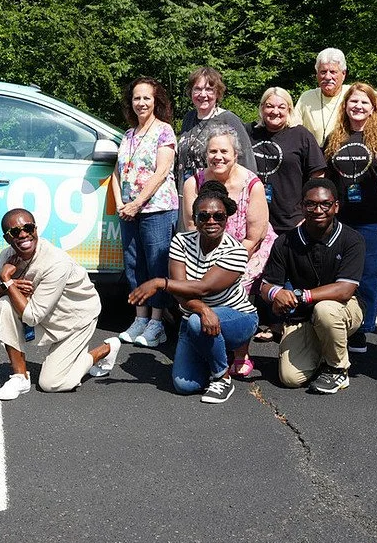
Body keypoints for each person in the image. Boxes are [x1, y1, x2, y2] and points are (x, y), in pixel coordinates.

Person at [130, 181, 256, 404]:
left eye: (218, 216)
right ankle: (209, 353)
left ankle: (222, 377)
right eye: (204, 216)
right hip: (195, 317)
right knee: (185, 385)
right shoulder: (181, 241)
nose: (211, 221)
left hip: (237, 317)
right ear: (195, 219)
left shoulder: (236, 252)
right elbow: (180, 289)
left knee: (198, 322)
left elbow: (203, 287)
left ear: (227, 219)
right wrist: (203, 308)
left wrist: (160, 282)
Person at [0, 208, 118, 401]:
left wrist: (7, 282)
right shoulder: (6, 258)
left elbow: (32, 317)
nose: (24, 234)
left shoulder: (56, 262)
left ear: (36, 229)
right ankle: (19, 377)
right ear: (7, 238)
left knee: (52, 383)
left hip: (75, 319)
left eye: (28, 227)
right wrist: (6, 285)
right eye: (15, 232)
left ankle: (104, 350)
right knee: (5, 304)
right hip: (44, 314)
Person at [180, 129, 274, 376]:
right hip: (205, 246)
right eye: (213, 151)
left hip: (247, 249)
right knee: (198, 282)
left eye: (224, 151)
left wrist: (227, 264)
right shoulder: (194, 182)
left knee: (237, 283)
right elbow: (192, 227)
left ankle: (241, 352)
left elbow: (255, 236)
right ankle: (209, 346)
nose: (218, 156)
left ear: (235, 155)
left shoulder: (251, 183)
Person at [258, 179, 366, 393]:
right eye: (311, 204)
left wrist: (299, 296)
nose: (318, 210)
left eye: (325, 204)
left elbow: (345, 289)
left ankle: (337, 370)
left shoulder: (352, 239)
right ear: (302, 206)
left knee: (325, 309)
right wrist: (276, 294)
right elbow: (265, 285)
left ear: (336, 206)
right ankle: (324, 348)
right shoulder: (285, 241)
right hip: (303, 316)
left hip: (344, 308)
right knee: (290, 378)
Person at [324, 83, 377, 353]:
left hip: (374, 218)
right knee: (338, 275)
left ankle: (363, 329)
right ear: (346, 106)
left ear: (373, 107)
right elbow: (325, 178)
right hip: (341, 219)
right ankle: (340, 323)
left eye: (364, 102)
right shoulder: (334, 138)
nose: (358, 107)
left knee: (368, 276)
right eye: (353, 102)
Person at [111, 77, 178, 349]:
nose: (141, 103)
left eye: (146, 98)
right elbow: (117, 173)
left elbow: (161, 172)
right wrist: (120, 204)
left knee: (156, 265)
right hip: (129, 211)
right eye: (137, 98)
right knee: (134, 265)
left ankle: (157, 323)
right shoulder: (128, 135)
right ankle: (140, 318)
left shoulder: (165, 131)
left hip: (156, 209)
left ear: (156, 101)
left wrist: (137, 202)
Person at [248, 86, 326, 234]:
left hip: (291, 220)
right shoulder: (249, 133)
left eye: (281, 107)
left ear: (289, 109)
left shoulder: (301, 135)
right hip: (253, 218)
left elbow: (318, 175)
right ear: (262, 108)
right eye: (269, 106)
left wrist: (309, 212)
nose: (275, 111)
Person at [174, 66, 255, 193]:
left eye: (209, 90)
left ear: (217, 93)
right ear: (191, 92)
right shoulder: (188, 118)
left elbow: (247, 162)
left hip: (217, 196)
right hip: (188, 193)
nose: (203, 94)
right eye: (197, 89)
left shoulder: (229, 120)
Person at [295, 48, 350, 147]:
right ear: (317, 74)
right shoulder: (306, 98)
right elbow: (293, 129)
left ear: (343, 74)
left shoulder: (354, 95)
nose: (328, 77)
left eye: (333, 72)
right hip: (314, 157)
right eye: (323, 72)